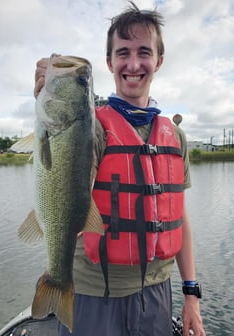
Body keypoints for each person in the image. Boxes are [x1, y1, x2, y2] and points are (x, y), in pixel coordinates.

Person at [34, 2, 205, 336]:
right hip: (95, 294)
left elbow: (178, 218)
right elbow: (63, 156)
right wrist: (45, 95)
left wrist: (191, 293)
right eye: (123, 52)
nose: (134, 63)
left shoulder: (176, 136)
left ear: (159, 61)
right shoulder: (91, 127)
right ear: (110, 62)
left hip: (158, 293)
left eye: (144, 52)